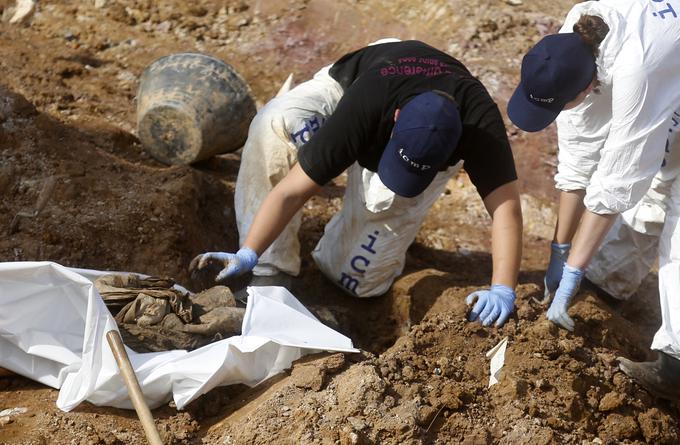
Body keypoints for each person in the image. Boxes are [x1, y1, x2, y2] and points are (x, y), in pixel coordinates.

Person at [191, 39, 523, 327]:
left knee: (354, 279)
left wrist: (503, 288)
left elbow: (506, 210)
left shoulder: (481, 126)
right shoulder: (364, 105)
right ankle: (268, 273)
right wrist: (249, 252)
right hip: (368, 75)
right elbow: (292, 191)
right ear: (395, 119)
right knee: (277, 126)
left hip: (419, 111)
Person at [507, 0, 680, 399]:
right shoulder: (576, 33)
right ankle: (605, 285)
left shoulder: (636, 70)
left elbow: (618, 180)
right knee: (654, 184)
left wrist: (570, 274)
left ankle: (677, 366)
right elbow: (580, 150)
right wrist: (560, 248)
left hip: (662, 66)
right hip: (667, 66)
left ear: (588, 86)